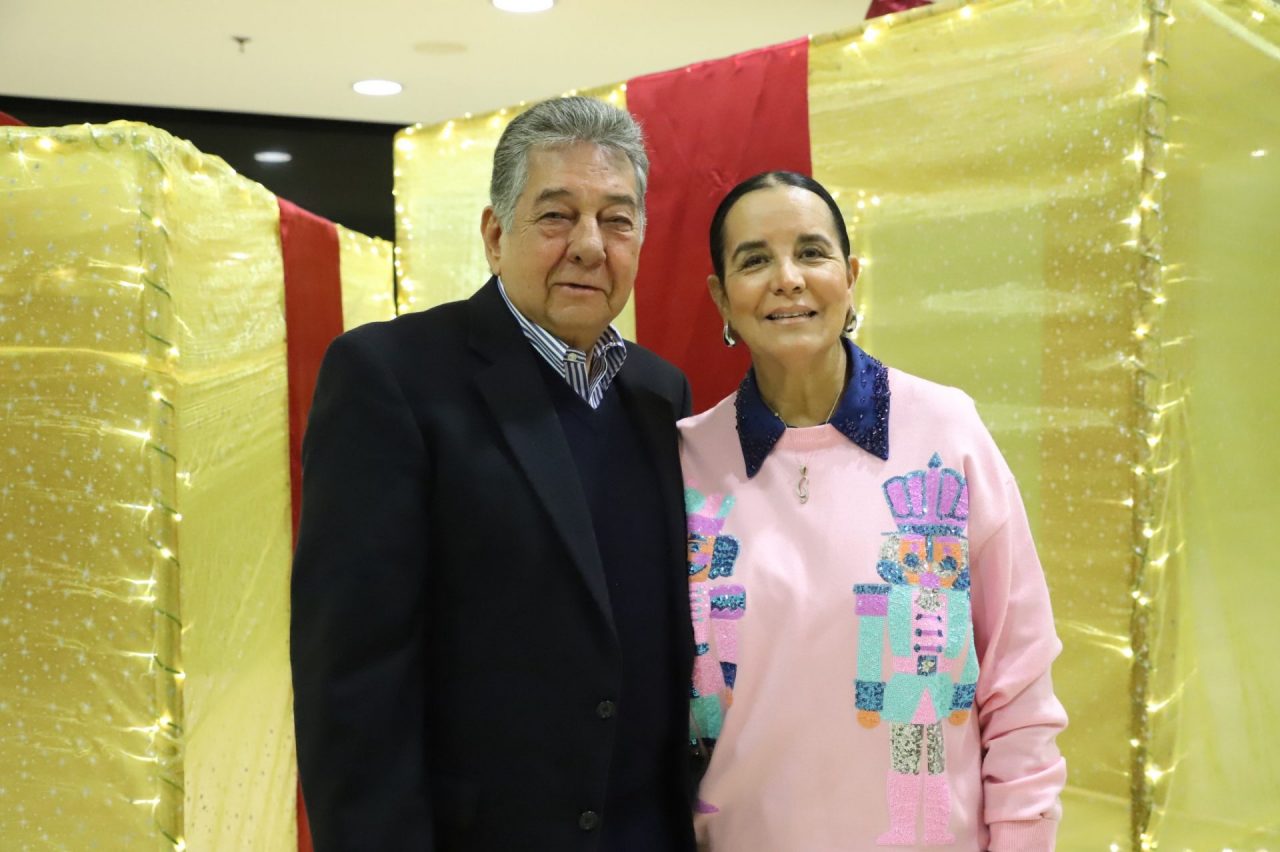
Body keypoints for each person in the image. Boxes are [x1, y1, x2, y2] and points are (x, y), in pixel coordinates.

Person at [290, 97, 697, 852]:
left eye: (616, 220)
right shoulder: (391, 377)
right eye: (557, 216)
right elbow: (351, 683)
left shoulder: (660, 394)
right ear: (495, 234)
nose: (589, 245)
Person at [680, 171, 1067, 851]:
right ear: (721, 297)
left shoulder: (947, 433)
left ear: (851, 276)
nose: (788, 279)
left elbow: (1019, 677)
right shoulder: (686, 461)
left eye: (811, 252)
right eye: (755, 260)